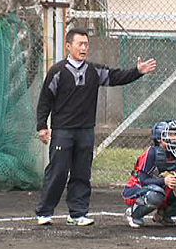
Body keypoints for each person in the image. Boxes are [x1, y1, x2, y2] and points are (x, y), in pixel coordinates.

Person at [35, 28, 157, 226]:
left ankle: (78, 213)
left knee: (82, 173)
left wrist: (138, 71)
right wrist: (42, 126)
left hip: (85, 131)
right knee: (57, 171)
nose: (84, 48)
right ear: (68, 46)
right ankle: (44, 212)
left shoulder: (94, 71)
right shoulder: (57, 72)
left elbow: (117, 77)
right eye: (80, 44)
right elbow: (45, 101)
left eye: (86, 44)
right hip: (63, 131)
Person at [122, 119, 176, 228]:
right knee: (156, 194)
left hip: (159, 188)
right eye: (170, 134)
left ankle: (162, 215)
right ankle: (134, 213)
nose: (175, 138)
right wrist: (164, 181)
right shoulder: (152, 153)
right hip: (136, 189)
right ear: (159, 138)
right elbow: (143, 180)